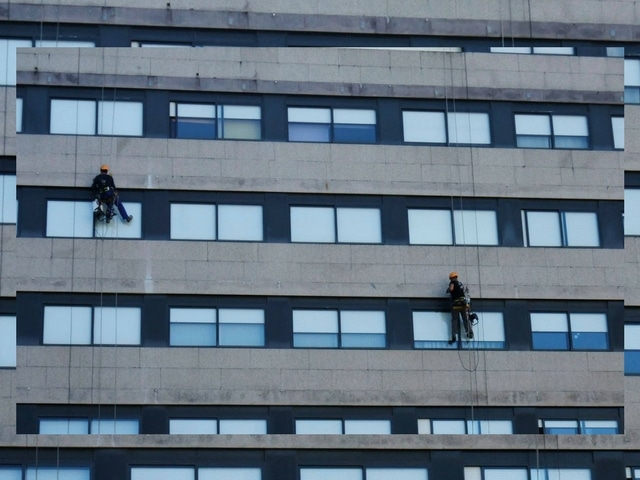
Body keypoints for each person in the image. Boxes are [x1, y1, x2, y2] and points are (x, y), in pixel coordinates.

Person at [447, 271, 473, 344]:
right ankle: (469, 332)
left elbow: (451, 289)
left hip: (456, 303)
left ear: (451, 278)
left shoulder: (452, 283)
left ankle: (454, 335)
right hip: (463, 303)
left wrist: (449, 290)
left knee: (455, 319)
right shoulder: (460, 284)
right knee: (465, 318)